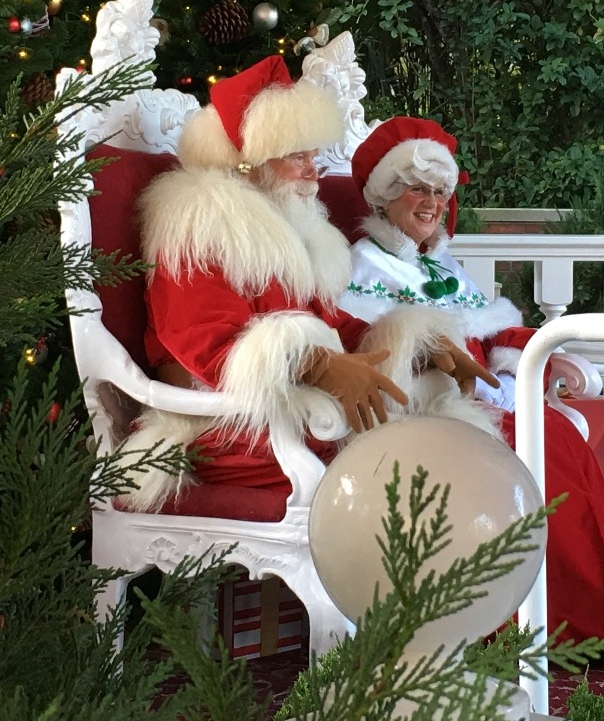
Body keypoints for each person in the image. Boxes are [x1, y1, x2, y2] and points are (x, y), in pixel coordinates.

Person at [340, 116, 604, 665]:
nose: (433, 202)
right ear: (387, 194)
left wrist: (529, 353)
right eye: (419, 188)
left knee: (557, 437)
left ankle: (586, 626)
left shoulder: (440, 265)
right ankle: (519, 632)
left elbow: (488, 329)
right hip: (425, 412)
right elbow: (373, 348)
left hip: (475, 401)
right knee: (538, 450)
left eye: (441, 191)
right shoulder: (364, 265)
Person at [119, 58, 498, 512]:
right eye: (298, 157)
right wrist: (316, 365)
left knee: (442, 439)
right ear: (249, 162)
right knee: (409, 458)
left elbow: (328, 321)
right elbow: (206, 343)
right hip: (223, 420)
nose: (314, 172)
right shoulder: (199, 225)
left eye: (313, 157)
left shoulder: (284, 225)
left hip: (285, 405)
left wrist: (417, 343)